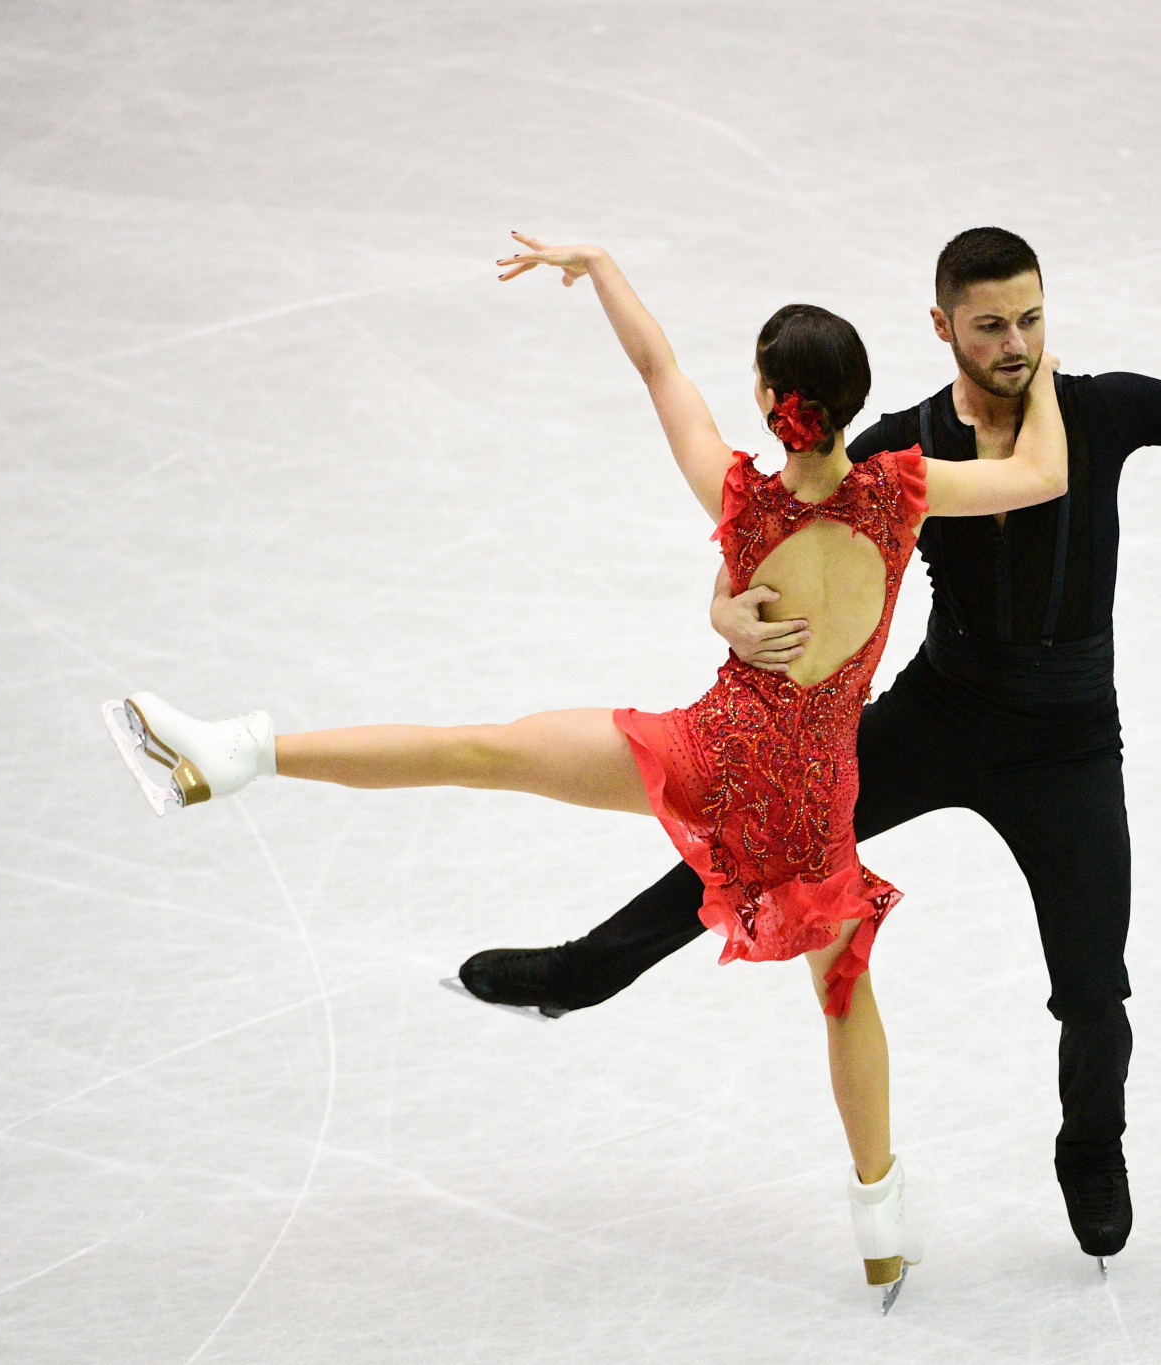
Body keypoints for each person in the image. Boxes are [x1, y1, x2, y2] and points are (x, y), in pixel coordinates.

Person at [455, 226, 1161, 1273]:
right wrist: (725, 612)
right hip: (942, 710)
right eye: (992, 324)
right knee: (756, 822)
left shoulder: (1098, 409)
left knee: (1094, 988)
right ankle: (584, 972)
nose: (1017, 342)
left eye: (1032, 319)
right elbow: (769, 532)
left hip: (1068, 741)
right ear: (941, 326)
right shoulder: (897, 446)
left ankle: (1091, 1146)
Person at [100, 233, 1069, 1309]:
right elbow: (1042, 471)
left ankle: (240, 756)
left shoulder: (741, 499)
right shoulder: (901, 495)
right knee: (844, 994)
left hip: (708, 759)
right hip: (808, 811)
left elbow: (660, 372)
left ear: (768, 399)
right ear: (853, 402)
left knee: (479, 750)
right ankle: (881, 1227)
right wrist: (1046, 353)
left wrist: (601, 269)